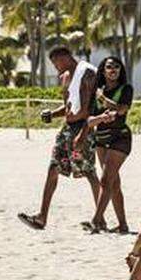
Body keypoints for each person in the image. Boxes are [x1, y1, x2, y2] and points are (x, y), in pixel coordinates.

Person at [18, 47, 100, 230]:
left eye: (56, 63)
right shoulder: (66, 77)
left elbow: (90, 108)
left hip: (83, 128)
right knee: (53, 167)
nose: (56, 67)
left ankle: (99, 219)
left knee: (88, 171)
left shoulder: (87, 73)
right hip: (67, 128)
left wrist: (82, 131)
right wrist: (53, 114)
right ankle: (42, 217)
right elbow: (69, 107)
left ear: (65, 58)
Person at [82, 56, 134, 234]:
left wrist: (103, 99)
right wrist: (100, 118)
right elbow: (89, 119)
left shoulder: (125, 89)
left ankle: (96, 220)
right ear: (103, 71)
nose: (113, 70)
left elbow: (122, 109)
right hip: (101, 139)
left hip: (120, 138)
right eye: (109, 67)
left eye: (116, 67)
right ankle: (123, 225)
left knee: (105, 180)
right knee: (114, 183)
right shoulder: (96, 91)